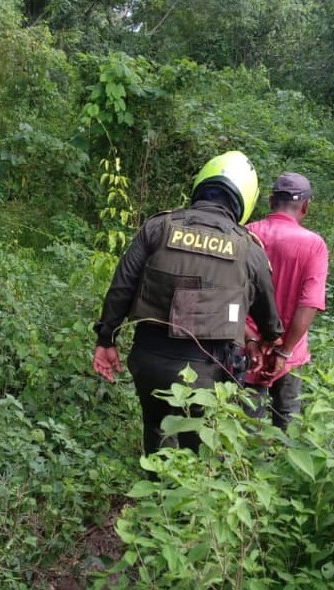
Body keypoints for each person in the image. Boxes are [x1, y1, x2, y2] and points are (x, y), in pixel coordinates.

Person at [92, 151, 284, 457]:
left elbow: (122, 285)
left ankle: (157, 493)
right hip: (208, 369)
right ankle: (192, 499)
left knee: (156, 430)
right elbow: (266, 310)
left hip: (149, 359)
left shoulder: (158, 227)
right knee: (200, 449)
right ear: (245, 200)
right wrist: (271, 339)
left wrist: (106, 338)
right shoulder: (248, 247)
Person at [243, 172, 329, 430]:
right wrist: (284, 351)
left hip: (247, 349)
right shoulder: (314, 245)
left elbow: (231, 296)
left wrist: (251, 339)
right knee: (287, 428)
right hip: (291, 355)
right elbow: (309, 304)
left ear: (270, 201)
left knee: (241, 429)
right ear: (305, 206)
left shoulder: (245, 235)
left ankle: (241, 470)